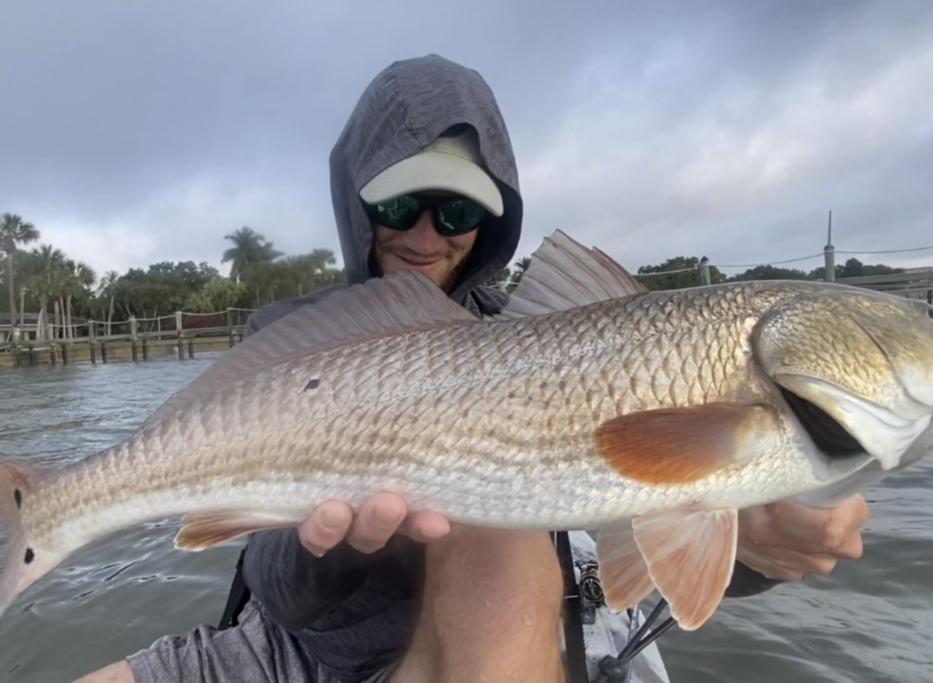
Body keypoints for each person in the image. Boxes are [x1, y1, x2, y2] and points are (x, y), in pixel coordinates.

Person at [76, 54, 870, 683]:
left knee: (493, 535)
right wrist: (349, 540)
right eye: (399, 207)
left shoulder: (545, 331)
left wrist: (762, 545)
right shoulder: (288, 339)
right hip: (318, 649)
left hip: (501, 630)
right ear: (358, 206)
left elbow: (620, 502)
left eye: (457, 212)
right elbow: (275, 589)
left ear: (491, 220)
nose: (426, 234)